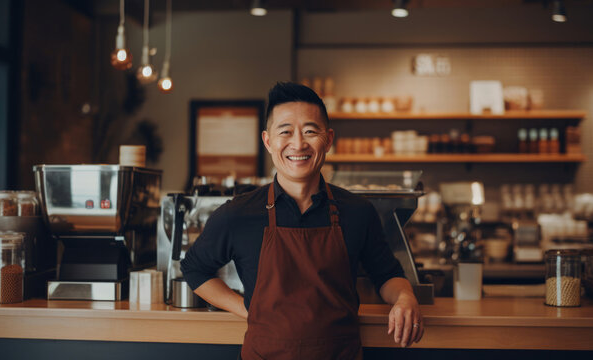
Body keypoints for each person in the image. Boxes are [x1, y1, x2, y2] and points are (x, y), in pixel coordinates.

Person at [180, 82, 424, 359]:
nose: (298, 144)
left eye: (310, 131)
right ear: (268, 141)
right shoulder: (237, 214)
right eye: (285, 132)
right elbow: (194, 268)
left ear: (328, 139)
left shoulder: (357, 211)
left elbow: (387, 275)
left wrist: (405, 297)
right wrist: (248, 309)